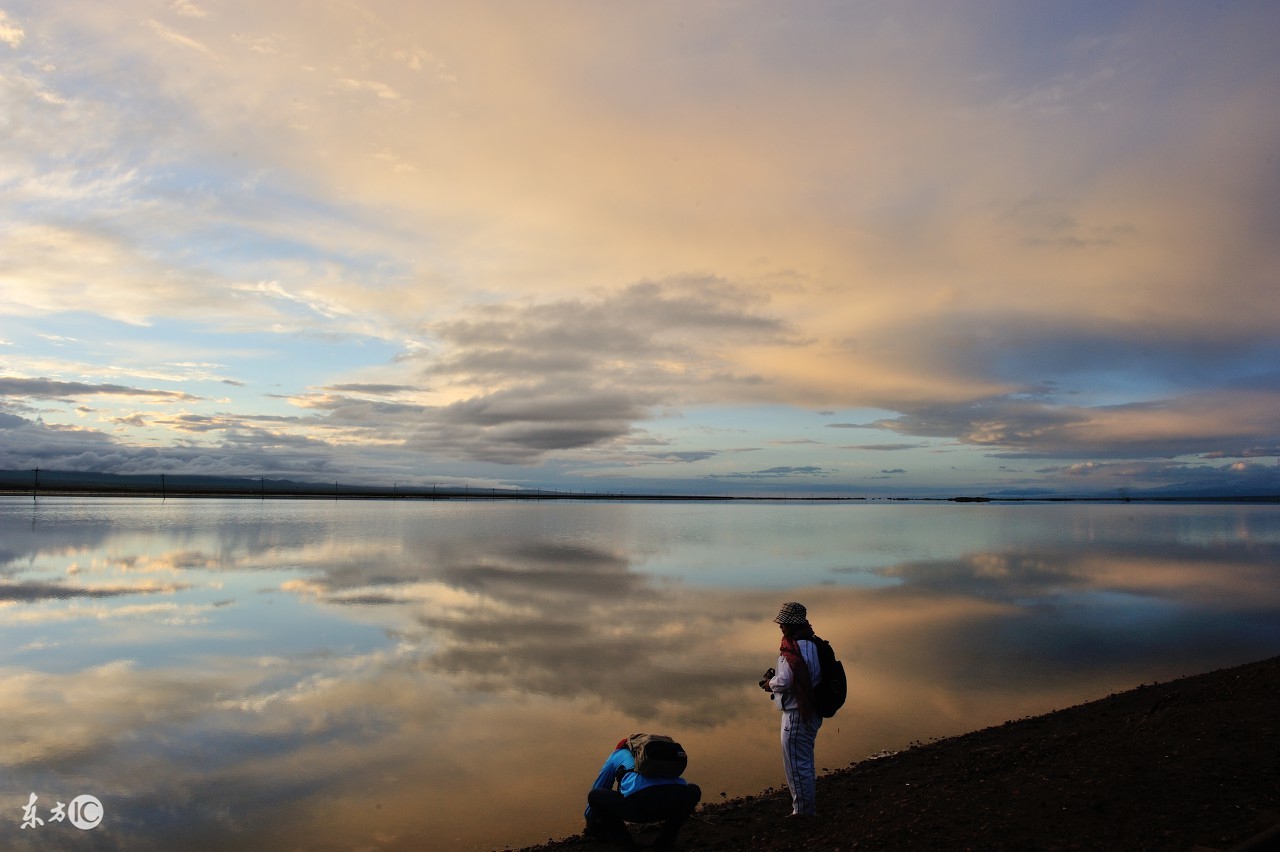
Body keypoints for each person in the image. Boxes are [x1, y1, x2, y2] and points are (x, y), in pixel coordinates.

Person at [584, 736, 702, 850]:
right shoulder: (655, 754)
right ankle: (665, 841)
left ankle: (627, 845)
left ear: (620, 748)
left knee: (594, 796)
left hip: (639, 807)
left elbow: (601, 786)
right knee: (693, 790)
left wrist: (590, 822)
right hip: (674, 803)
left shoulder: (617, 754)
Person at [762, 601, 823, 816]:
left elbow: (786, 681)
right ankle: (805, 809)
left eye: (784, 623)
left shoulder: (794, 648)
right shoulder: (813, 644)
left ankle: (803, 813)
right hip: (810, 710)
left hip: (797, 713)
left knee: (797, 766)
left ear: (794, 624)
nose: (781, 626)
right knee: (804, 762)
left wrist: (770, 684)